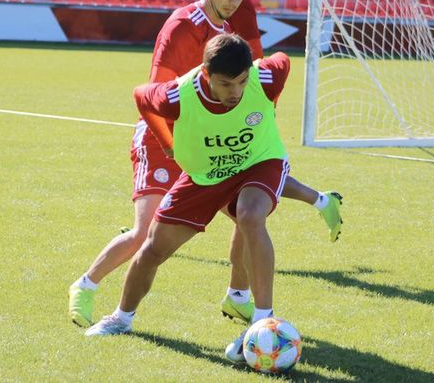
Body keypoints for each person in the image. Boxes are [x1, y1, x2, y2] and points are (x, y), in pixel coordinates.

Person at [69, 0, 342, 328]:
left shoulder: (233, 25)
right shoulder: (184, 26)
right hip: (168, 135)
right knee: (146, 235)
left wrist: (254, 116)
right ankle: (88, 286)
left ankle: (240, 298)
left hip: (216, 141)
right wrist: (170, 144)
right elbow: (153, 90)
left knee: (248, 217)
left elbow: (267, 64)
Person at [85, 34, 293, 365]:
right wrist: (167, 142)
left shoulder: (264, 77)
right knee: (153, 249)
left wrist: (271, 105)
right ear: (206, 75)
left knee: (250, 215)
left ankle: (262, 323)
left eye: (241, 82)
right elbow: (141, 97)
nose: (236, 92)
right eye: (226, 85)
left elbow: (283, 59)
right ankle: (121, 318)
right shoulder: (176, 95)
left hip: (259, 162)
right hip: (204, 175)